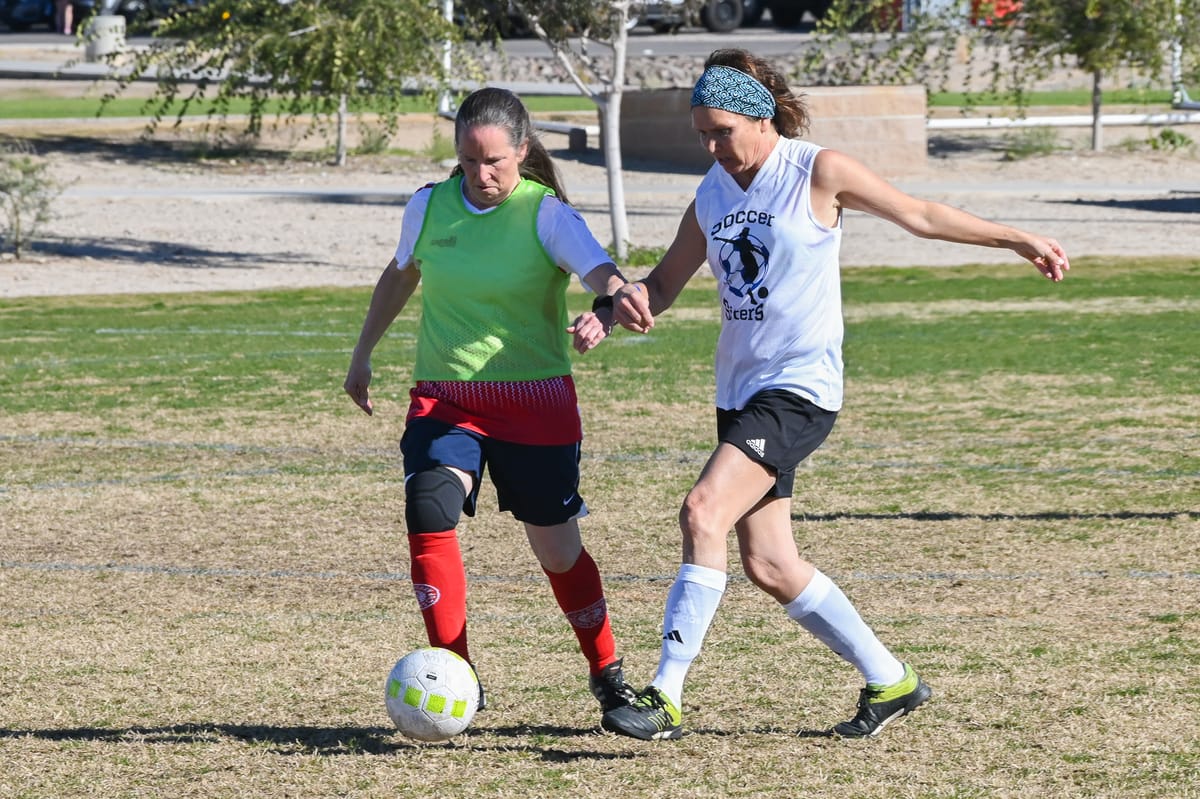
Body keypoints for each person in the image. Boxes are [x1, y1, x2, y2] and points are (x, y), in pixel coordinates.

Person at [586, 49, 1070, 741]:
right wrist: (612, 309)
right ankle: (891, 678)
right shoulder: (713, 193)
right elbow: (661, 285)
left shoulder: (816, 171)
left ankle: (665, 695)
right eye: (702, 134)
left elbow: (921, 214)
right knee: (770, 563)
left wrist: (1015, 237)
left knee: (701, 512)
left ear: (759, 117)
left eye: (721, 131)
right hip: (740, 391)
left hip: (799, 389)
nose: (712, 146)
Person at [344, 86, 638, 721]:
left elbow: (602, 273)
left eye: (496, 161)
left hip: (535, 402)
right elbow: (401, 273)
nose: (482, 175)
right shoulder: (428, 206)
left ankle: (607, 672)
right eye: (470, 160)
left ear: (523, 152)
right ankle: (456, 674)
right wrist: (363, 351)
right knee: (427, 507)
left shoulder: (546, 214)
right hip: (445, 398)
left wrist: (610, 308)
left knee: (557, 550)